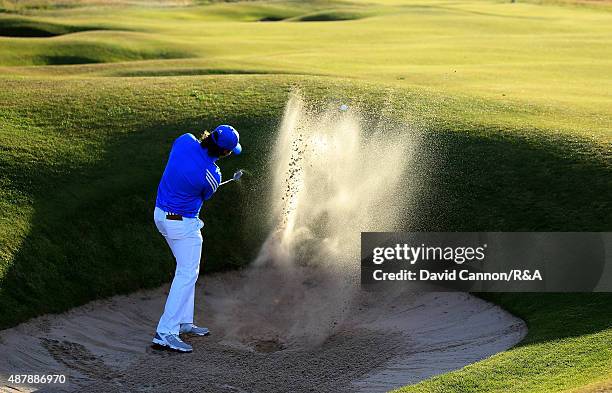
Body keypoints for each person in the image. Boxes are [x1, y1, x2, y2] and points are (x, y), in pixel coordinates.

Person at [151, 124, 242, 352]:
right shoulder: (213, 174)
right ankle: (165, 332)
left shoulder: (184, 139)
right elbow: (206, 194)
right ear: (224, 152)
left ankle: (184, 323)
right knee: (186, 274)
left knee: (187, 270)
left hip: (160, 215)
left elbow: (185, 166)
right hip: (182, 226)